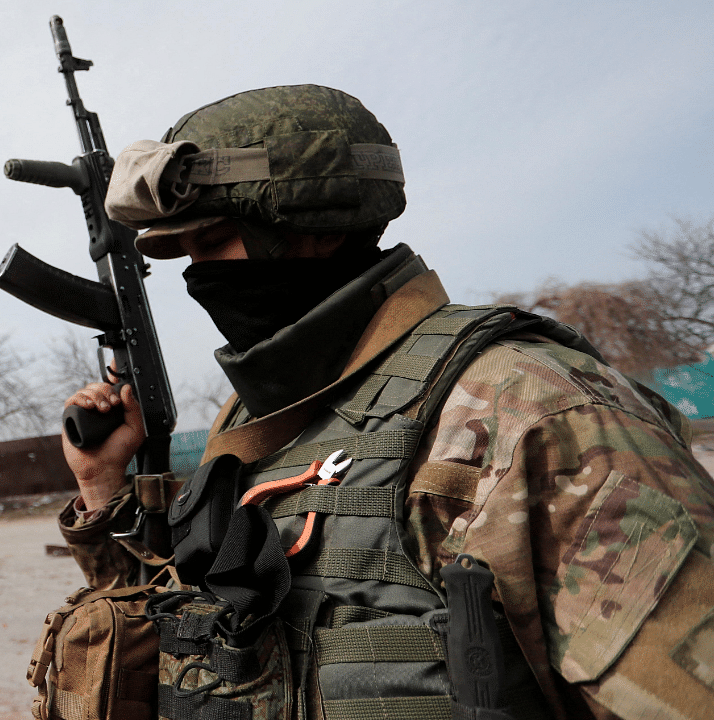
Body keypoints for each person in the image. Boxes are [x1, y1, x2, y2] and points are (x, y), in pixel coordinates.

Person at [54, 85, 714, 720]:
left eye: (213, 242)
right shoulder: (257, 421)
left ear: (315, 226)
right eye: (187, 254)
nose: (200, 278)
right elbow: (190, 619)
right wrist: (102, 483)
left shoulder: (531, 409)